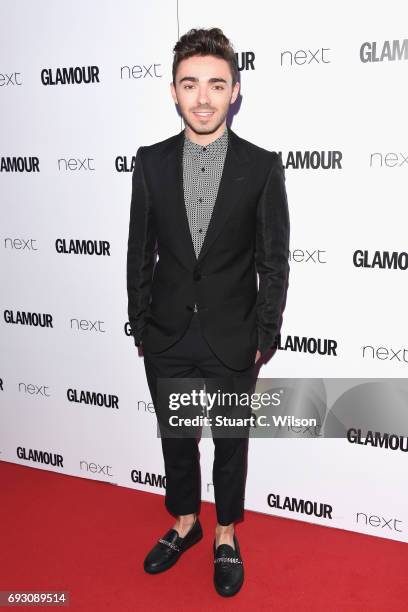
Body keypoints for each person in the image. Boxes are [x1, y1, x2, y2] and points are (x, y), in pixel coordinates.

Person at [126, 27, 290, 597]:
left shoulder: (263, 167)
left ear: (235, 91)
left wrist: (263, 336)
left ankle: (224, 533)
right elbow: (138, 250)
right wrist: (141, 324)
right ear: (173, 91)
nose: (202, 97)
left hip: (232, 336)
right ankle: (184, 523)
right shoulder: (148, 164)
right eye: (190, 84)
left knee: (230, 442)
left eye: (216, 85)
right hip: (167, 335)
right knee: (175, 439)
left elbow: (274, 260)